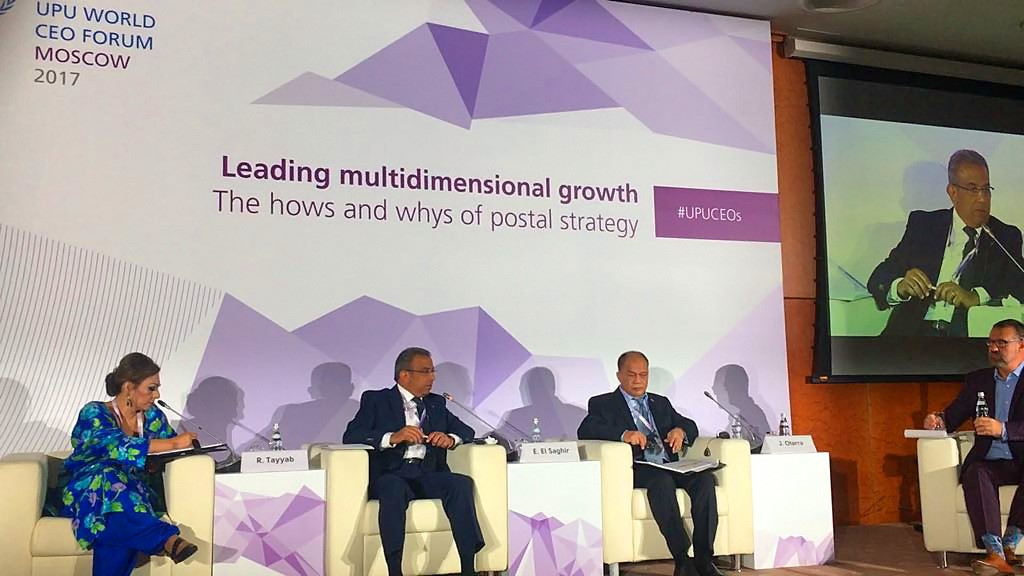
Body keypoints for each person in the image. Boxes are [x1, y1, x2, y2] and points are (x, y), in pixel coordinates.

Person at [55, 352, 201, 576]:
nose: (157, 395)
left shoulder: (153, 417)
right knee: (109, 475)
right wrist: (172, 443)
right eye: (151, 388)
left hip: (136, 492)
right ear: (129, 387)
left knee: (113, 518)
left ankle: (163, 538)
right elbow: (114, 445)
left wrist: (178, 449)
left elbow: (172, 450)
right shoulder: (94, 412)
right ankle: (165, 538)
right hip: (88, 491)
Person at [577, 351, 721, 576]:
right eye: (631, 375)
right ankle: (682, 559)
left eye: (643, 375)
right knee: (661, 481)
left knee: (705, 480)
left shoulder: (660, 402)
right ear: (619, 375)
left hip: (669, 465)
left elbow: (688, 423)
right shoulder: (603, 403)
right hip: (639, 467)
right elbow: (586, 429)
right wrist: (623, 434)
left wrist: (680, 430)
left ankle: (704, 559)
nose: (638, 380)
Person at [343, 347, 483, 576]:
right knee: (393, 488)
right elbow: (352, 435)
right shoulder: (377, 400)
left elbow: (466, 431)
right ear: (404, 375)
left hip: (426, 474)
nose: (433, 377)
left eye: (433, 371)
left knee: (461, 483)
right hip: (392, 474)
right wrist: (392, 437)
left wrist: (450, 439)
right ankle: (395, 570)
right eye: (426, 371)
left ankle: (469, 567)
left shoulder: (436, 403)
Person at [867, 149, 1023, 337]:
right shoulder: (923, 225)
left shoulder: (1005, 236)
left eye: (986, 189)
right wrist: (900, 287)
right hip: (911, 335)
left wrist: (975, 296)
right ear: (953, 192)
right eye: (973, 189)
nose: (982, 198)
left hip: (963, 338)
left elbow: (1018, 284)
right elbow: (878, 278)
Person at [924, 319, 1024, 575]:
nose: (994, 348)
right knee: (975, 472)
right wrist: (937, 420)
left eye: (1001, 343)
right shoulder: (978, 380)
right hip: (990, 460)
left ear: (1021, 345)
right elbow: (953, 416)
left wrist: (1003, 429)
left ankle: (1010, 544)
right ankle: (995, 553)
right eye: (990, 343)